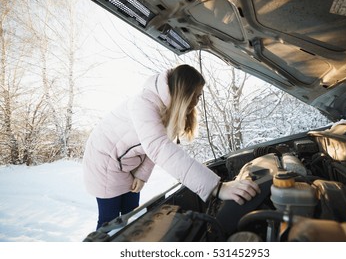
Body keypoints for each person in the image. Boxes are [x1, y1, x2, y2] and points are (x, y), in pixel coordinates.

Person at [82, 64, 260, 230]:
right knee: (110, 221)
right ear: (185, 92)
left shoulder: (167, 107)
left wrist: (142, 175)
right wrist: (217, 188)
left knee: (130, 213)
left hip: (128, 162)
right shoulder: (144, 104)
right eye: (197, 95)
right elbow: (159, 147)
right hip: (104, 162)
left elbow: (154, 143)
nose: (198, 101)